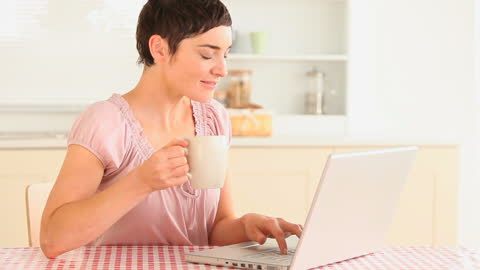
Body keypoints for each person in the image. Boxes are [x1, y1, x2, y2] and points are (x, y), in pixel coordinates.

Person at [40, 0, 302, 258]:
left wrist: (245, 226)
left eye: (226, 54)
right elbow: (53, 239)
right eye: (207, 54)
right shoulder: (105, 122)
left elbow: (214, 230)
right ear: (160, 49)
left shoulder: (213, 119)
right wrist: (142, 181)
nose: (222, 69)